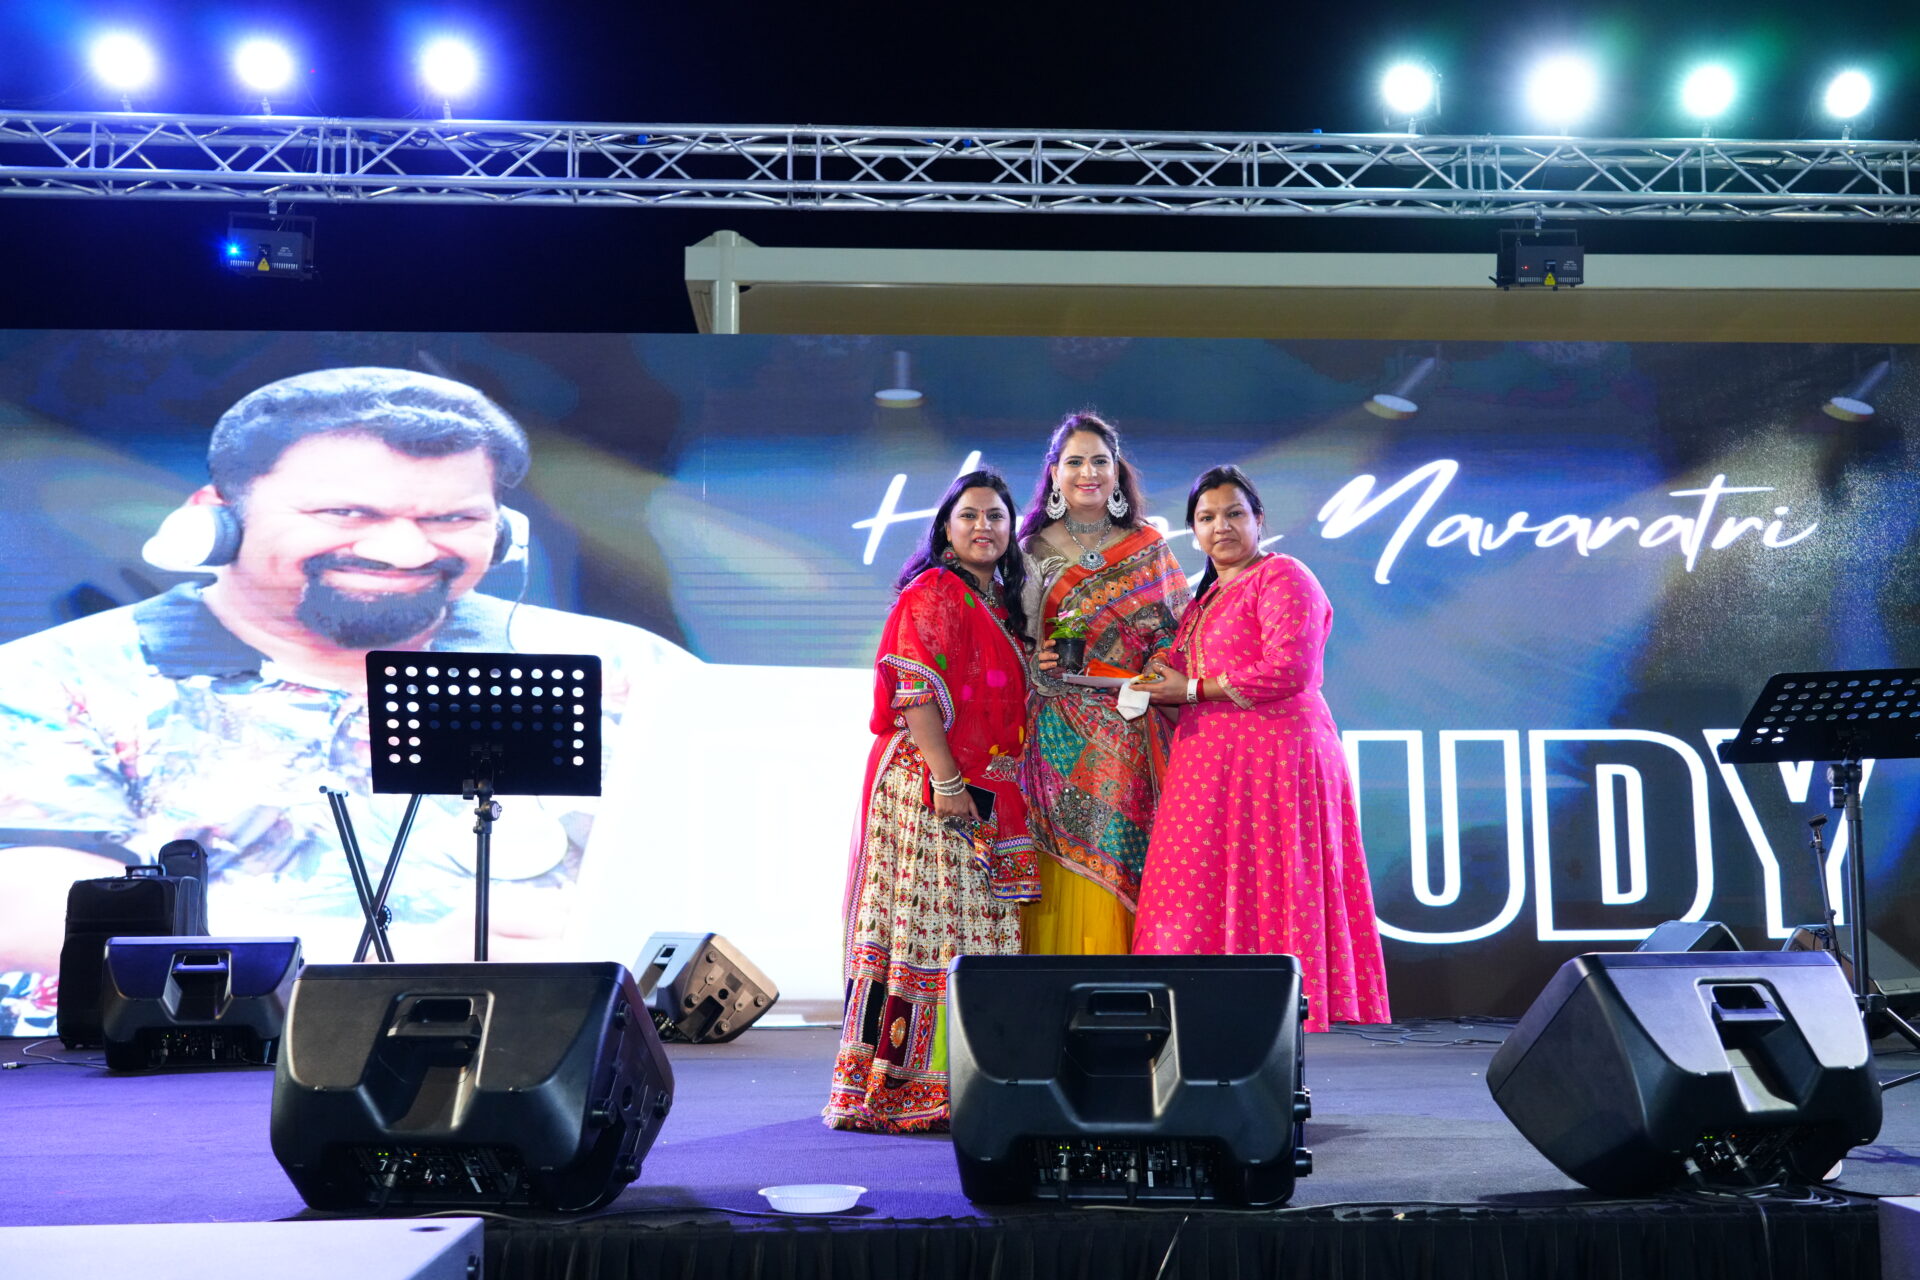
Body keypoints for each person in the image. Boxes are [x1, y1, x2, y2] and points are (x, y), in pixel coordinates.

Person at [0, 367, 693, 1036]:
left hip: (550, 1058)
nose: (403, 550)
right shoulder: (55, 677)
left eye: (452, 518)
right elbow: (23, 900)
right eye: (345, 513)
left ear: (504, 531)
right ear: (215, 517)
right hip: (174, 1073)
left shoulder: (625, 671)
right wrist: (393, 962)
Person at [1131, 465, 1390, 1031]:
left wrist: (1189, 689)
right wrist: (1148, 681)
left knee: (1272, 884)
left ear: (1259, 520)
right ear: (1194, 533)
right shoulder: (1202, 601)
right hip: (1208, 766)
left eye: (1234, 514)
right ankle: (1198, 1017)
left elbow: (1289, 668)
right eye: (1206, 518)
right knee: (1188, 892)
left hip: (1275, 760)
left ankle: (1270, 1019)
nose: (1221, 526)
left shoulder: (1282, 576)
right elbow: (1178, 682)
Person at [826, 469, 1037, 1133]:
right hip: (928, 783)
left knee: (976, 931)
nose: (984, 527)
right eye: (969, 515)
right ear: (946, 528)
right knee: (932, 930)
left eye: (996, 516)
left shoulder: (996, 603)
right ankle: (906, 1085)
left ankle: (967, 1078)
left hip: (980, 785)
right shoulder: (936, 591)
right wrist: (946, 781)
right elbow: (915, 690)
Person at [1017, 412, 1188, 955]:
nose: (1087, 473)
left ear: (1117, 472)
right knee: (1063, 866)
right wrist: (1035, 660)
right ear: (1054, 473)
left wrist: (1151, 674)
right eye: (1075, 462)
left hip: (1130, 728)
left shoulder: (1149, 546)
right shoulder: (1029, 550)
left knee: (1122, 859)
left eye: (1099, 461)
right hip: (1054, 732)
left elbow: (1178, 634)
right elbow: (1010, 637)